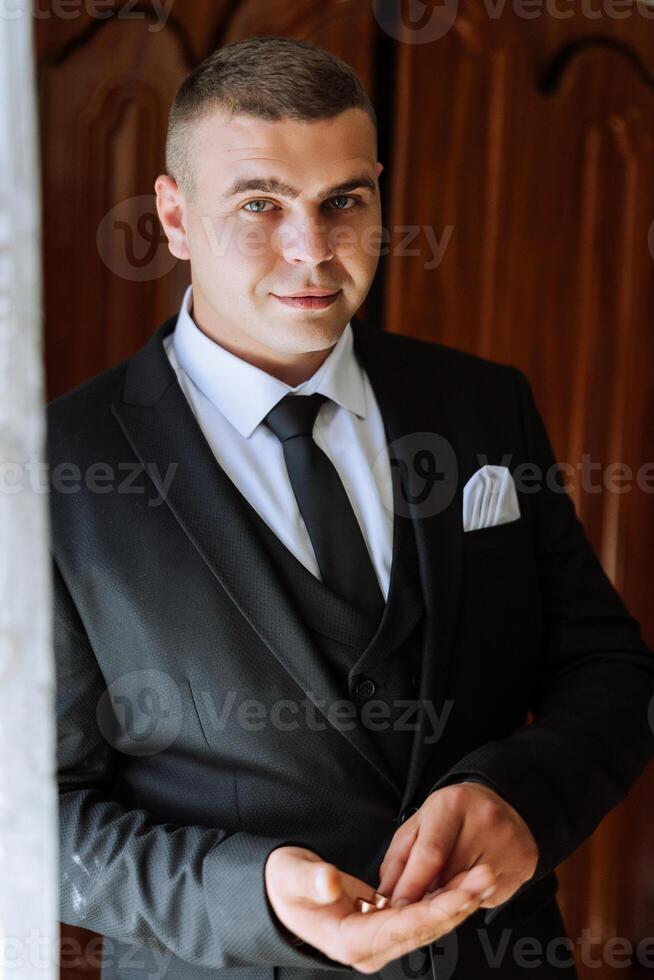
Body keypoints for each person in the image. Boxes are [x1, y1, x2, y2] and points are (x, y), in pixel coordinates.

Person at [48, 35, 654, 980]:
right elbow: (31, 814)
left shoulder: (482, 406)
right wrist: (249, 894)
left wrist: (526, 797)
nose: (312, 251)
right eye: (260, 205)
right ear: (172, 216)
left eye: (345, 202)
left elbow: (613, 672)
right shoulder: (54, 470)